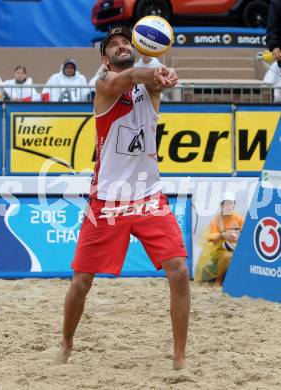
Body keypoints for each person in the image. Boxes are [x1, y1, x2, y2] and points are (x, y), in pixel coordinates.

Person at [57, 26, 190, 370]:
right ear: (105, 59)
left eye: (124, 42)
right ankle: (66, 341)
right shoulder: (104, 85)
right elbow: (130, 76)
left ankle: (179, 358)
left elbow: (153, 79)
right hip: (106, 201)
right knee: (81, 281)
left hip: (148, 198)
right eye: (113, 45)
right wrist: (155, 71)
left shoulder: (149, 86)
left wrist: (166, 72)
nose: (120, 46)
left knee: (178, 271)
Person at [195, 192, 244, 285]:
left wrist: (236, 237)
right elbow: (210, 239)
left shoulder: (239, 218)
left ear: (234, 204)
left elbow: (246, 234)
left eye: (231, 203)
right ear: (221, 205)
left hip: (236, 248)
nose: (228, 206)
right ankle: (219, 280)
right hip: (219, 250)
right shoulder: (217, 220)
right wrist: (223, 235)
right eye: (226, 203)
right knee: (227, 257)